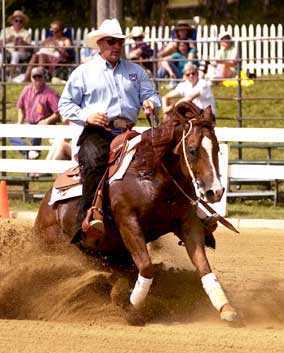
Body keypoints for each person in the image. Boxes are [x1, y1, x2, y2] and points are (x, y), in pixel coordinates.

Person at [58, 18, 161, 235]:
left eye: (119, 42)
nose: (116, 47)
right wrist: (87, 116)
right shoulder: (83, 72)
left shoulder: (135, 71)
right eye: (112, 42)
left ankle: (164, 214)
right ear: (101, 43)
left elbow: (151, 94)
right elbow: (65, 105)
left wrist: (151, 102)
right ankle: (86, 218)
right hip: (98, 132)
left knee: (158, 160)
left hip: (128, 132)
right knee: (95, 163)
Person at [11, 66, 60, 159]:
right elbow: (20, 107)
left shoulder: (50, 93)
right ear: (31, 78)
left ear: (43, 77)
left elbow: (58, 113)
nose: (37, 79)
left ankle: (32, 157)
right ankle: (28, 151)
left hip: (44, 124)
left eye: (39, 77)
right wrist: (19, 122)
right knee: (11, 132)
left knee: (36, 131)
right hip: (30, 123)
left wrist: (47, 121)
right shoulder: (26, 89)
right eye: (35, 77)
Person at [0, 10, 32, 77]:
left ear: (23, 23)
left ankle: (11, 76)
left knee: (15, 54)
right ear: (12, 21)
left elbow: (30, 48)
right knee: (1, 56)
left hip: (21, 52)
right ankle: (2, 75)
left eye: (21, 21)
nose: (18, 23)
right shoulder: (6, 30)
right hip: (6, 51)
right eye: (16, 20)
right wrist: (9, 39)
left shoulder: (26, 33)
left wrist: (23, 42)